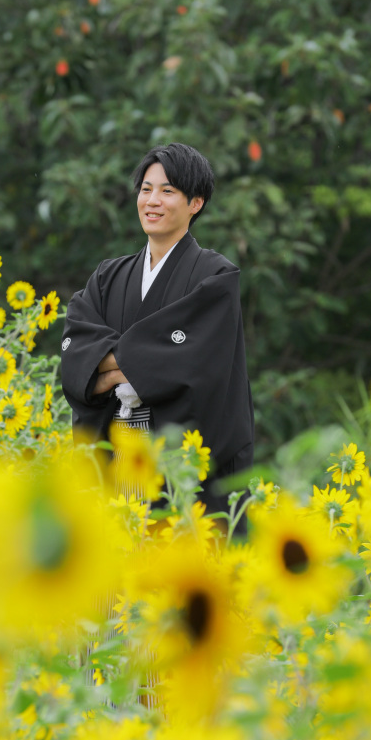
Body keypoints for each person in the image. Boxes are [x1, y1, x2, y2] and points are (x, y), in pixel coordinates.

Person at [59, 142, 254, 515]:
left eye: (167, 191)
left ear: (195, 203)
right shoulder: (108, 277)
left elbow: (199, 370)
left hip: (177, 465)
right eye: (146, 189)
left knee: (175, 543)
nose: (152, 201)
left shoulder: (215, 277)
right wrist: (143, 365)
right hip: (117, 454)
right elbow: (75, 356)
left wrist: (106, 368)